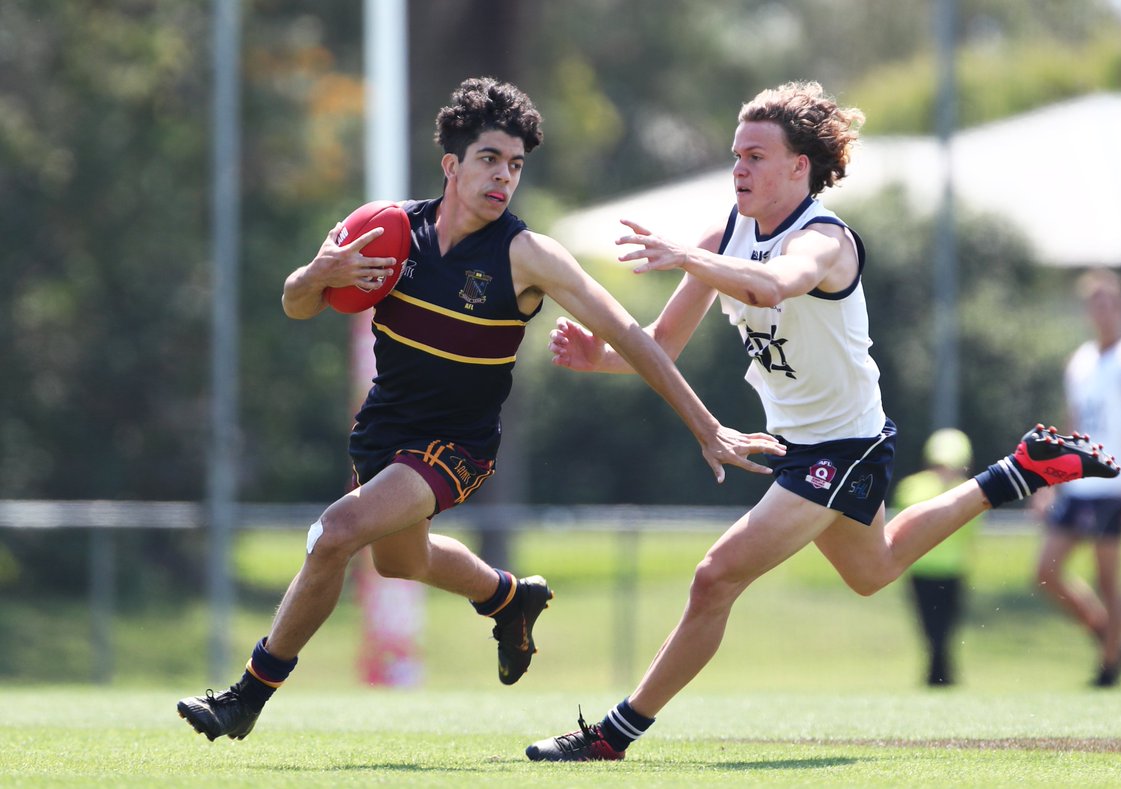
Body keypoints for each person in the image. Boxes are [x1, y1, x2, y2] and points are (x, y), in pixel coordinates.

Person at [525, 80, 1120, 762]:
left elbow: (773, 284)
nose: (738, 168)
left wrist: (687, 257)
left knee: (714, 576)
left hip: (845, 446)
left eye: (754, 156)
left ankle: (613, 733)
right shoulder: (724, 234)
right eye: (735, 155)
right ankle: (1015, 471)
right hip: (802, 446)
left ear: (797, 167)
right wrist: (596, 356)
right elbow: (659, 348)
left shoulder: (826, 241)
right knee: (876, 569)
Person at [177, 77, 785, 742]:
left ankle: (246, 696)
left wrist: (708, 427)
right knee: (400, 564)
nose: (504, 177)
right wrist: (318, 272)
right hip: (384, 430)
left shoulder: (526, 256)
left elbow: (633, 337)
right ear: (452, 165)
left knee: (336, 532)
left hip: (457, 444)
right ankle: (508, 597)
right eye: (490, 159)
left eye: (516, 165)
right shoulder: (388, 232)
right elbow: (297, 303)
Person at [1032, 269, 1121, 688]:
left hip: (1117, 482)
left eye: (1110, 301)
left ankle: (1108, 671)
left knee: (1108, 577)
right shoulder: (1081, 360)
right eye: (1095, 302)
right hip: (1079, 482)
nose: (1102, 310)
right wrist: (1051, 480)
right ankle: (1110, 635)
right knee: (1045, 573)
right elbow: (1072, 429)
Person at [894, 428, 982, 687]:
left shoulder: (910, 486)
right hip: (946, 570)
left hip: (923, 569)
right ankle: (941, 677)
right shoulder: (967, 491)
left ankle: (938, 676)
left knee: (933, 630)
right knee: (942, 630)